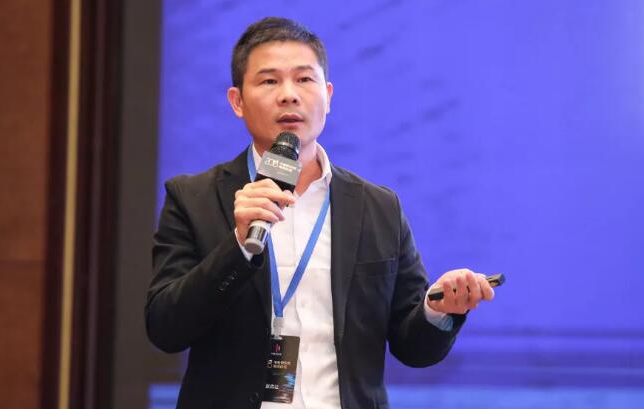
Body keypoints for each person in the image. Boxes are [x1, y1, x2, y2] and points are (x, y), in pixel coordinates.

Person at [146, 17, 495, 409]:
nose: (289, 95)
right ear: (237, 101)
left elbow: (412, 347)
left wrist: (438, 310)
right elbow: (165, 328)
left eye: (304, 79)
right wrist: (238, 247)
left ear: (327, 96)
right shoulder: (193, 198)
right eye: (269, 81)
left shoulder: (378, 207)